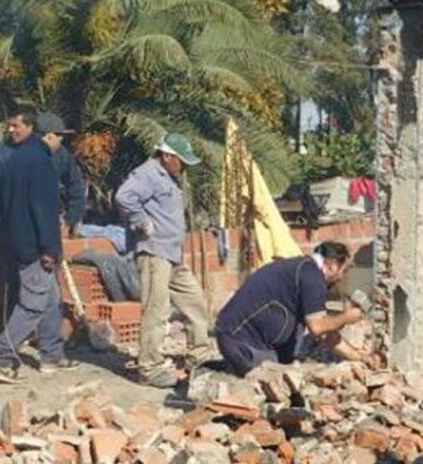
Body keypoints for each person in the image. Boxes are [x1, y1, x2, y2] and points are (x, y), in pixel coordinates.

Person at [116, 132, 213, 388]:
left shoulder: (169, 177)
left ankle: (199, 356)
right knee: (156, 312)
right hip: (154, 253)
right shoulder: (148, 174)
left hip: (172, 254)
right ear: (168, 156)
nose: (184, 167)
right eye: (181, 161)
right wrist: (140, 222)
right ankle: (150, 369)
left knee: (194, 302)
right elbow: (124, 197)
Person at [0, 107, 76, 383]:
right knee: (32, 305)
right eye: (59, 138)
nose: (60, 144)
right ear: (48, 135)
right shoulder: (42, 163)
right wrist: (50, 248)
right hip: (32, 247)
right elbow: (44, 211)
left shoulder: (14, 158)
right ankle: (1, 357)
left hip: (13, 240)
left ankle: (51, 356)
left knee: (50, 298)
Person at [215, 241, 364, 377]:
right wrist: (345, 318)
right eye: (343, 271)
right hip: (242, 343)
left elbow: (326, 332)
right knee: (289, 379)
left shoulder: (304, 270)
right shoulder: (311, 277)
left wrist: (358, 357)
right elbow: (317, 327)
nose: (341, 278)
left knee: (288, 366)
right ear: (332, 265)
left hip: (237, 339)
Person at [34, 112, 86, 237]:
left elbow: (75, 187)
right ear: (49, 136)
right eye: (60, 135)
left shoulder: (61, 154)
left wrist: (69, 221)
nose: (62, 139)